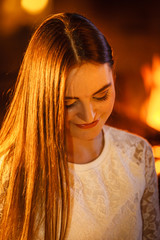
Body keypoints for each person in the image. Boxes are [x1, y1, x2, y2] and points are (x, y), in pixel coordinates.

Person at [0, 12, 159, 240]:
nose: (89, 115)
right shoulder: (9, 171)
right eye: (70, 103)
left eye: (101, 95)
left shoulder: (138, 154)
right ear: (42, 97)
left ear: (113, 76)